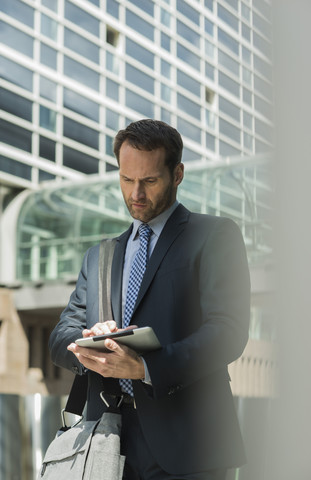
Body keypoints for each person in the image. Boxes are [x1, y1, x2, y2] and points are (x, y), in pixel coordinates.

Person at [49, 119, 250, 480]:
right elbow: (62, 333)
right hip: (106, 440)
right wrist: (87, 346)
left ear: (177, 174)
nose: (136, 193)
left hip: (189, 443)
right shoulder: (100, 257)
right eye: (127, 180)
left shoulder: (215, 236)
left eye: (149, 181)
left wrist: (145, 368)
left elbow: (228, 331)